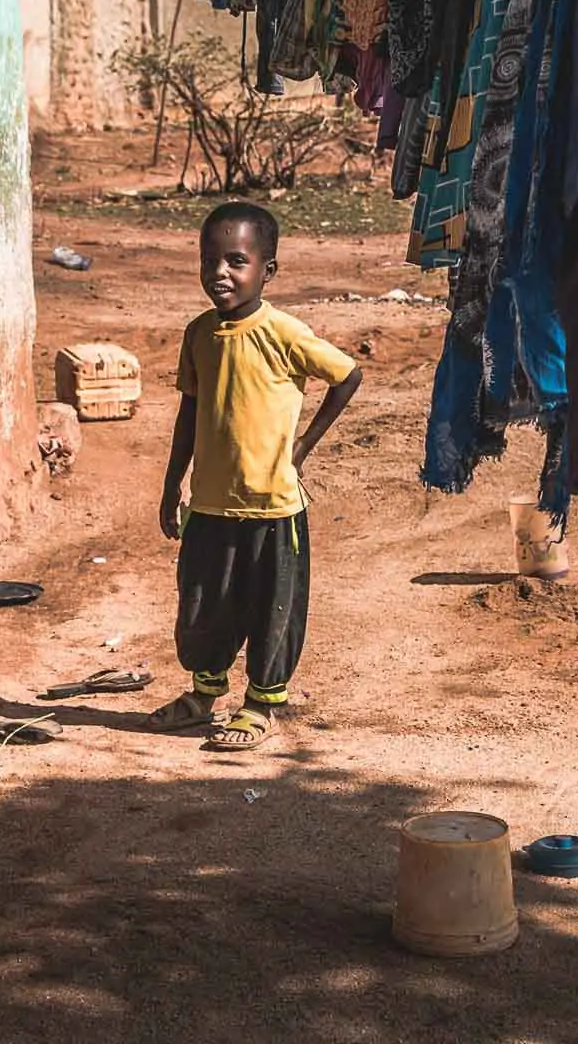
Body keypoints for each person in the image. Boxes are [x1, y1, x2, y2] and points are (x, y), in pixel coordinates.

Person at [151, 202, 363, 751]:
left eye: (236, 261)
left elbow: (346, 375)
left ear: (267, 269)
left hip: (273, 507)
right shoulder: (198, 335)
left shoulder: (283, 331)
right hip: (210, 505)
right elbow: (189, 413)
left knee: (273, 610)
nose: (220, 272)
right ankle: (203, 696)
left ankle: (262, 704)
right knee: (202, 607)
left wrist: (302, 447)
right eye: (209, 260)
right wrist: (173, 483)